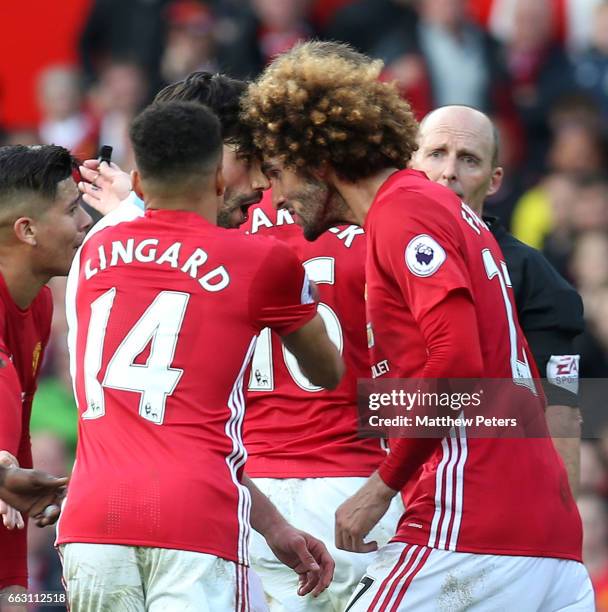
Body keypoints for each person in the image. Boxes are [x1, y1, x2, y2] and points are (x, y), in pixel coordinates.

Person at [240, 40, 593, 610]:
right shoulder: (441, 211)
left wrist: (381, 486)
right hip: (542, 539)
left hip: (468, 521)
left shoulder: (404, 211)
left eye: (280, 171)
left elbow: (457, 365)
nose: (274, 194)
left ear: (318, 160)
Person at [76, 69, 402, 611]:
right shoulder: (371, 232)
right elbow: (431, 374)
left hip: (208, 497)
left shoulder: (108, 247)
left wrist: (132, 216)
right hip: (315, 491)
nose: (253, 186)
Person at [411, 104, 585, 496]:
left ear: (494, 180)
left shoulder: (533, 276)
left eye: (468, 159)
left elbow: (561, 403)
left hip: (486, 488)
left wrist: (564, 516)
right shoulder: (367, 254)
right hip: (376, 483)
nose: (449, 171)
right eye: (437, 154)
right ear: (412, 162)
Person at [0, 144, 91, 609]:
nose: (86, 223)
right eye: (73, 209)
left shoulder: (39, 303)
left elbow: (16, 429)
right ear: (27, 230)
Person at [78, 71, 269, 229]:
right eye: (246, 160)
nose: (264, 183)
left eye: (266, 165)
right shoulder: (109, 244)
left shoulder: (283, 220)